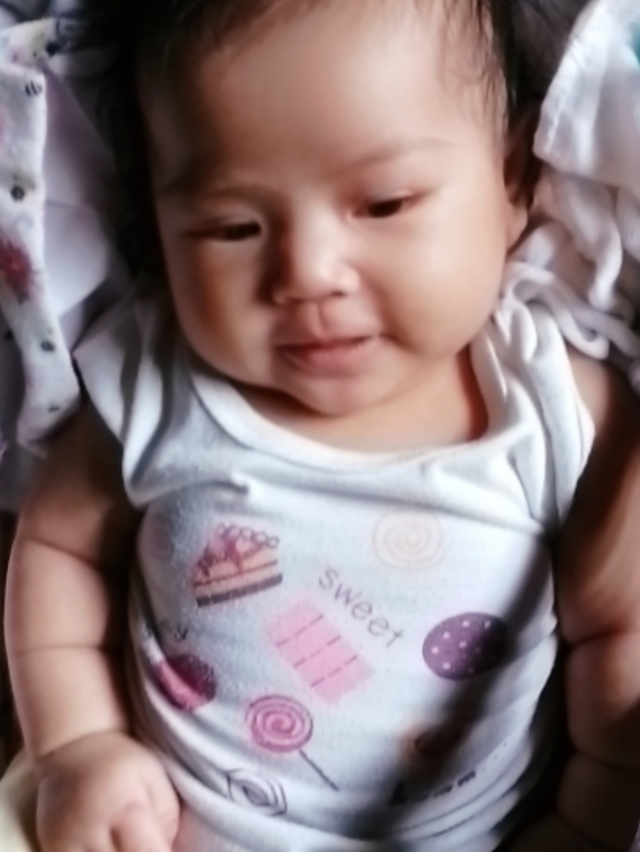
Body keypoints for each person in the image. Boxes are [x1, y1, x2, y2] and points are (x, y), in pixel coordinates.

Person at [4, 0, 640, 850]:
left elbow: (619, 631)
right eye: (232, 226)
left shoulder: (552, 407)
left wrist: (590, 817)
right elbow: (58, 550)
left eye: (383, 205)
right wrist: (77, 747)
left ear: (513, 180)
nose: (306, 273)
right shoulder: (154, 381)